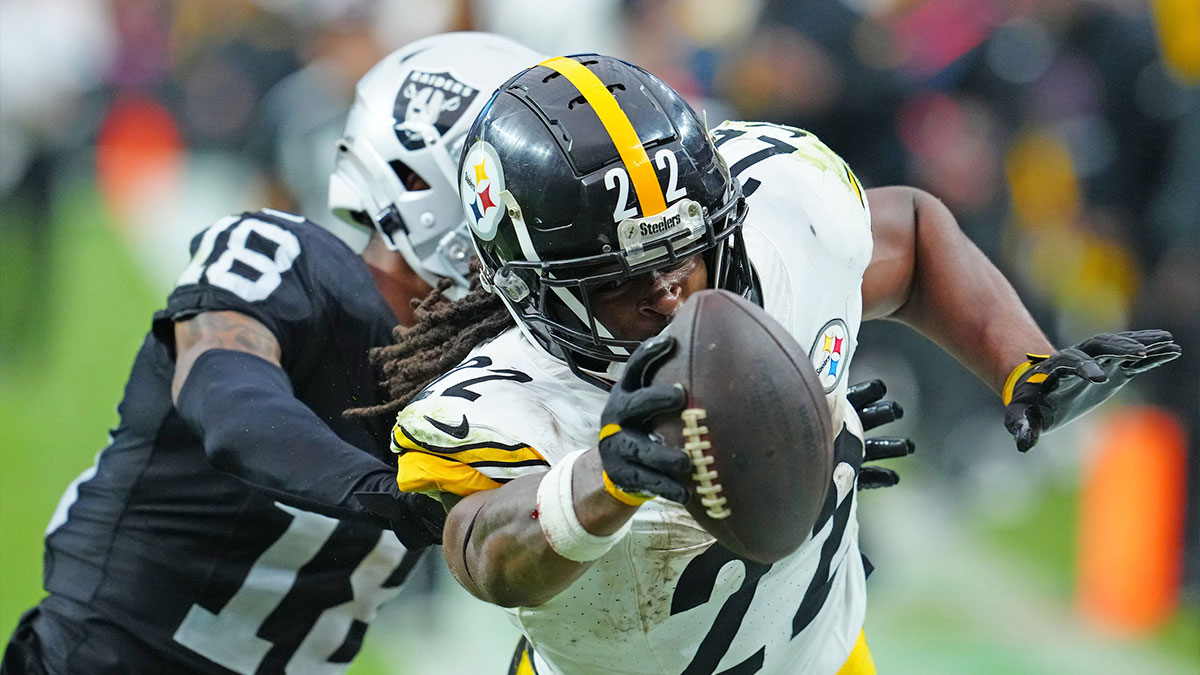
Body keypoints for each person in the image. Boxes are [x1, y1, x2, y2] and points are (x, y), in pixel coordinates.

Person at [360, 53, 1182, 675]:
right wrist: (602, 478)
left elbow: (915, 233)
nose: (674, 296)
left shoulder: (780, 216)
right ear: (531, 290)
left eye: (687, 256)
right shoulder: (498, 404)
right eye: (623, 283)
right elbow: (485, 554)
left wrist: (1022, 361)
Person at [1, 32, 545, 675]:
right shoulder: (283, 259)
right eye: (536, 195)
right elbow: (227, 398)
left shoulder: (491, 364)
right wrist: (395, 498)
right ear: (433, 186)